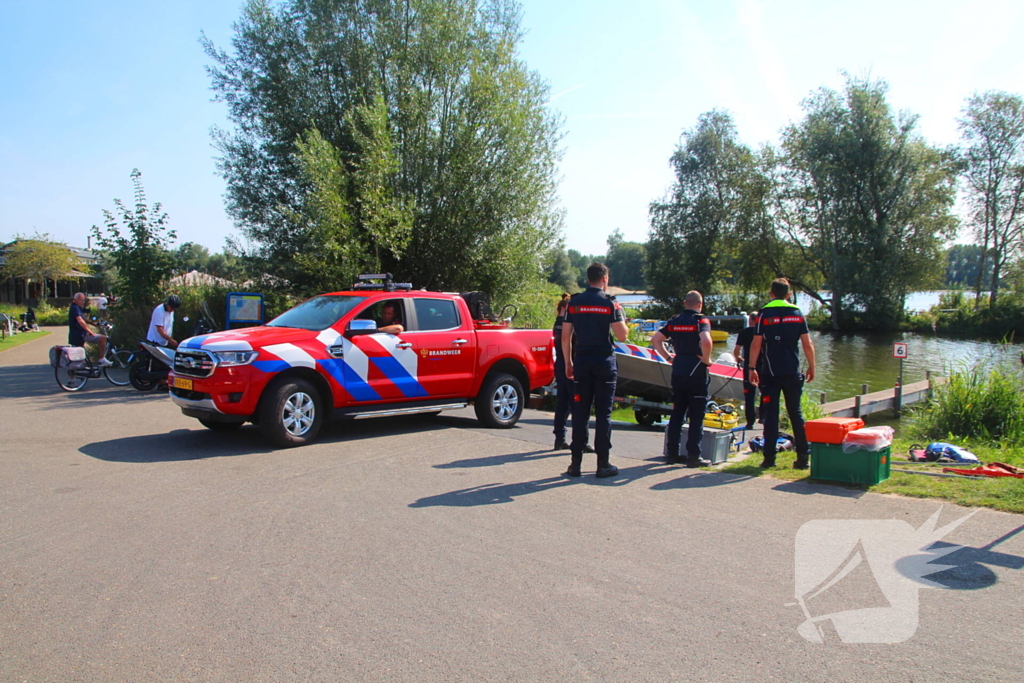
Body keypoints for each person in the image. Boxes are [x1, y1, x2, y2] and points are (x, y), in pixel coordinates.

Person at [561, 263, 629, 478]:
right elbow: (622, 336)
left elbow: (565, 336)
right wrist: (621, 319)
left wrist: (567, 363)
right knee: (603, 415)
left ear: (587, 279)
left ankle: (576, 464)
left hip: (581, 362)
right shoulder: (611, 304)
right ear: (605, 279)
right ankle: (603, 464)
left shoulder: (574, 302)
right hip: (604, 363)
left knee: (580, 413)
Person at [747, 278, 817, 469]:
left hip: (770, 373)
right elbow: (807, 343)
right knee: (796, 413)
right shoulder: (797, 313)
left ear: (771, 294)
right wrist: (812, 366)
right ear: (788, 295)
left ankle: (769, 459)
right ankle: (803, 458)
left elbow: (756, 344)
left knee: (771, 414)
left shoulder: (764, 314)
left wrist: (752, 368)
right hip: (792, 372)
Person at [650, 291, 713, 467]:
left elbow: (656, 340)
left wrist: (669, 358)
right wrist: (707, 360)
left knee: (677, 414)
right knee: (696, 416)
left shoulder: (674, 321)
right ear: (700, 305)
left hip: (678, 371)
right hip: (696, 372)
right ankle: (694, 456)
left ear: (685, 303)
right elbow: (706, 341)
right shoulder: (701, 320)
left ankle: (672, 454)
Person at [552, 293, 594, 454]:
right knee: (579, 404)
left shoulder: (557, 323)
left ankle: (560, 438)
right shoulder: (569, 324)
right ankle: (581, 441)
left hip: (560, 366)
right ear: (565, 307)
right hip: (571, 365)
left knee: (562, 403)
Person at [732, 314, 760, 430]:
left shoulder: (744, 333)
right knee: (766, 392)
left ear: (750, 321)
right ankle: (763, 416)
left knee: (749, 395)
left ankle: (750, 422)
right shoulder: (763, 332)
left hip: (749, 367)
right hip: (763, 366)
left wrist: (738, 358)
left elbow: (736, 350)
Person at [68, 292, 111, 365]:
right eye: (80, 300)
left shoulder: (77, 308)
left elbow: (84, 319)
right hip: (80, 334)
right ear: (74, 300)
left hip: (76, 335)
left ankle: (74, 374)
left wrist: (93, 323)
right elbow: (80, 320)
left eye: (83, 300)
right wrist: (89, 331)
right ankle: (101, 359)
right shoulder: (75, 308)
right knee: (103, 338)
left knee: (78, 357)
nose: (82, 302)